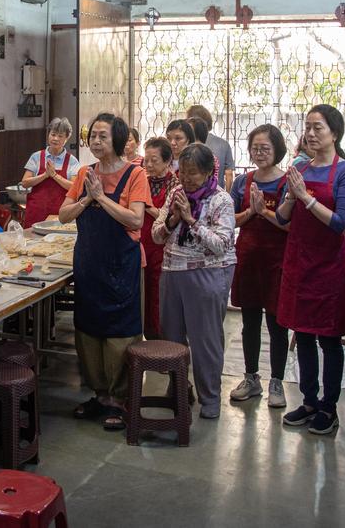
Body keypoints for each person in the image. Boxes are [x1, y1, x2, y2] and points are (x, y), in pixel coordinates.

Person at [59, 112, 150, 431]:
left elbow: (136, 220)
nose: (95, 141)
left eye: (102, 136)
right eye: (92, 136)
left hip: (122, 264)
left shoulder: (135, 175)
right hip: (89, 262)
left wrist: (101, 198)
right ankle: (99, 395)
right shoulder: (84, 172)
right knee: (88, 330)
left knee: (120, 333)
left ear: (120, 140)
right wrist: (86, 199)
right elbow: (62, 216)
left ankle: (120, 399)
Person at [275, 104, 345, 436]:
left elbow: (340, 222)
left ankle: (329, 406)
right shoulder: (300, 168)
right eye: (307, 128)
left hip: (327, 267)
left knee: (329, 339)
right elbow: (282, 218)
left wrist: (306, 199)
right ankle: (309, 400)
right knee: (304, 335)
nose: (310, 134)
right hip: (299, 263)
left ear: (334, 133)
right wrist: (291, 198)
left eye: (318, 128)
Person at [152, 143, 236, 418]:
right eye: (183, 172)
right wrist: (173, 220)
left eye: (193, 174)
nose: (186, 179)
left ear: (210, 172)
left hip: (206, 274)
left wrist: (191, 220)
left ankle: (210, 398)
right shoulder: (176, 193)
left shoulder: (221, 200)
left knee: (205, 340)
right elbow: (156, 235)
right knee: (173, 338)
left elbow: (221, 245)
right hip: (171, 272)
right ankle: (178, 389)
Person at [228, 124, 290, 408]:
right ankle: (251, 378)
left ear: (277, 149)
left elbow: (291, 225)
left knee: (277, 323)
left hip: (278, 260)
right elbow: (230, 220)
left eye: (265, 148)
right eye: (255, 148)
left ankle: (277, 381)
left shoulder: (289, 182)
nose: (260, 153)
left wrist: (263, 212)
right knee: (249, 321)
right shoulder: (242, 181)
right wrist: (251, 212)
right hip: (248, 256)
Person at [140, 137, 175, 340]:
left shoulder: (174, 184)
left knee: (159, 295)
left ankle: (162, 341)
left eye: (154, 160)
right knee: (143, 293)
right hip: (142, 243)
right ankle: (147, 339)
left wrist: (149, 208)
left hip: (162, 246)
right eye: (147, 160)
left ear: (168, 160)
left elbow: (170, 218)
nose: (149, 165)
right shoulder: (142, 180)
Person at [21, 117, 75, 228]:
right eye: (53, 134)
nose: (55, 138)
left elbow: (74, 187)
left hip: (59, 214)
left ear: (67, 138)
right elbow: (25, 183)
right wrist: (45, 175)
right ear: (48, 134)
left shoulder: (72, 161)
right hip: (35, 212)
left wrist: (54, 175)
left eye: (60, 136)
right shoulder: (36, 156)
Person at [188, 105, 235, 189]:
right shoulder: (224, 144)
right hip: (216, 192)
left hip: (192, 193)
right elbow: (229, 174)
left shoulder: (188, 144)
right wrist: (227, 194)